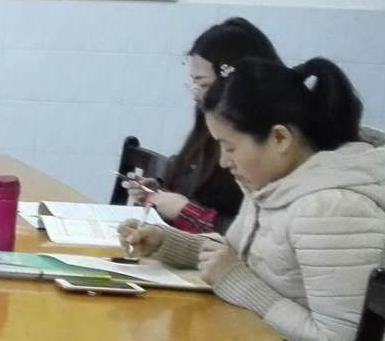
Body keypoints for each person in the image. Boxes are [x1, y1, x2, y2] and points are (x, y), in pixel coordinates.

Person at [120, 58, 385, 341]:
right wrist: (168, 243)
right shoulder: (276, 185)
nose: (224, 162)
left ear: (280, 138)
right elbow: (242, 258)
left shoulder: (333, 210)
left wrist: (237, 282)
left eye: (230, 147)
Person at [120, 17, 282, 233]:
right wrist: (158, 194)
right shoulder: (209, 126)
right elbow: (196, 188)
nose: (196, 94)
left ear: (236, 83)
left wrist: (186, 212)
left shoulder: (262, 143)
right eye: (193, 82)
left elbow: (254, 235)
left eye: (203, 83)